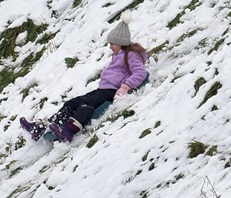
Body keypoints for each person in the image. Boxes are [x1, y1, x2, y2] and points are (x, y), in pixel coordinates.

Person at [19, 20, 147, 143]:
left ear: (121, 43)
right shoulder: (118, 56)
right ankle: (44, 127)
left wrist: (125, 87)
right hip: (103, 89)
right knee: (72, 103)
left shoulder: (130, 55)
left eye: (112, 43)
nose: (110, 47)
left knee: (87, 103)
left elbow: (140, 72)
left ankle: (71, 129)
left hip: (112, 91)